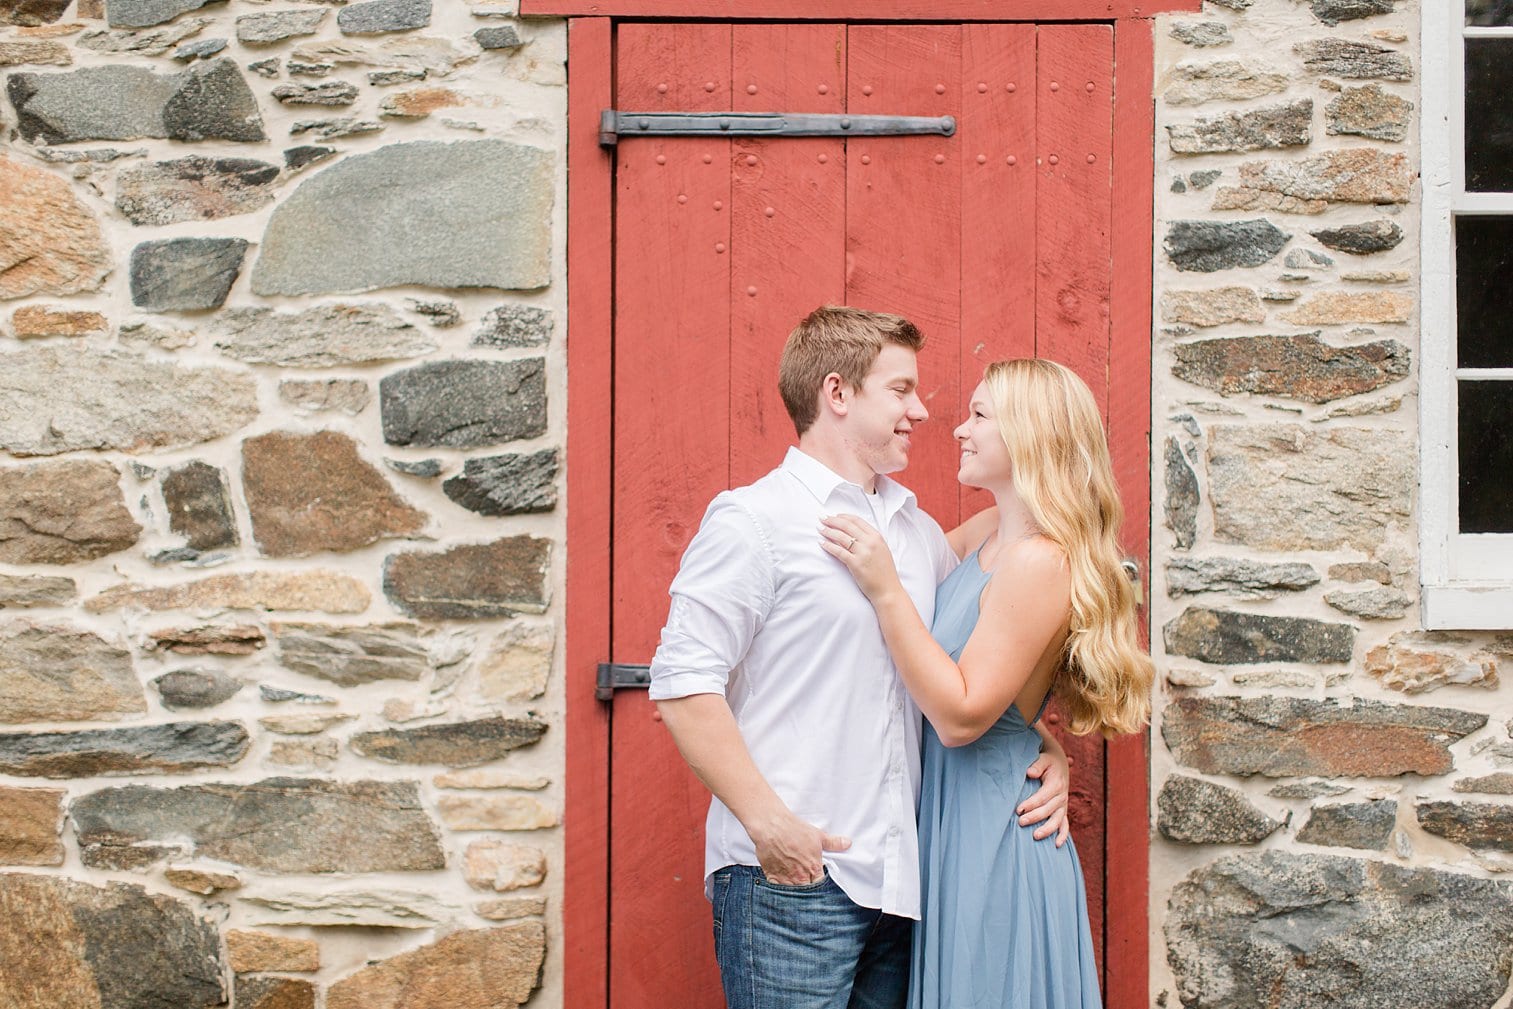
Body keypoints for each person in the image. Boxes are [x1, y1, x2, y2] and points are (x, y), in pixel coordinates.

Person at [649, 307, 1073, 1009]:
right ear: (838, 394)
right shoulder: (754, 519)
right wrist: (768, 825)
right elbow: (682, 683)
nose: (923, 410)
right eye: (901, 390)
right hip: (789, 878)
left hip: (898, 886)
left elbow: (972, 650)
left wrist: (1036, 740)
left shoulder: (914, 534)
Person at [820, 358, 1154, 1009]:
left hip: (991, 831)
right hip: (950, 817)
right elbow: (957, 670)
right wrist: (1040, 741)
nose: (957, 431)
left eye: (978, 416)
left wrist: (885, 586)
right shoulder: (986, 535)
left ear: (1029, 435)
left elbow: (961, 714)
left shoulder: (1038, 560)